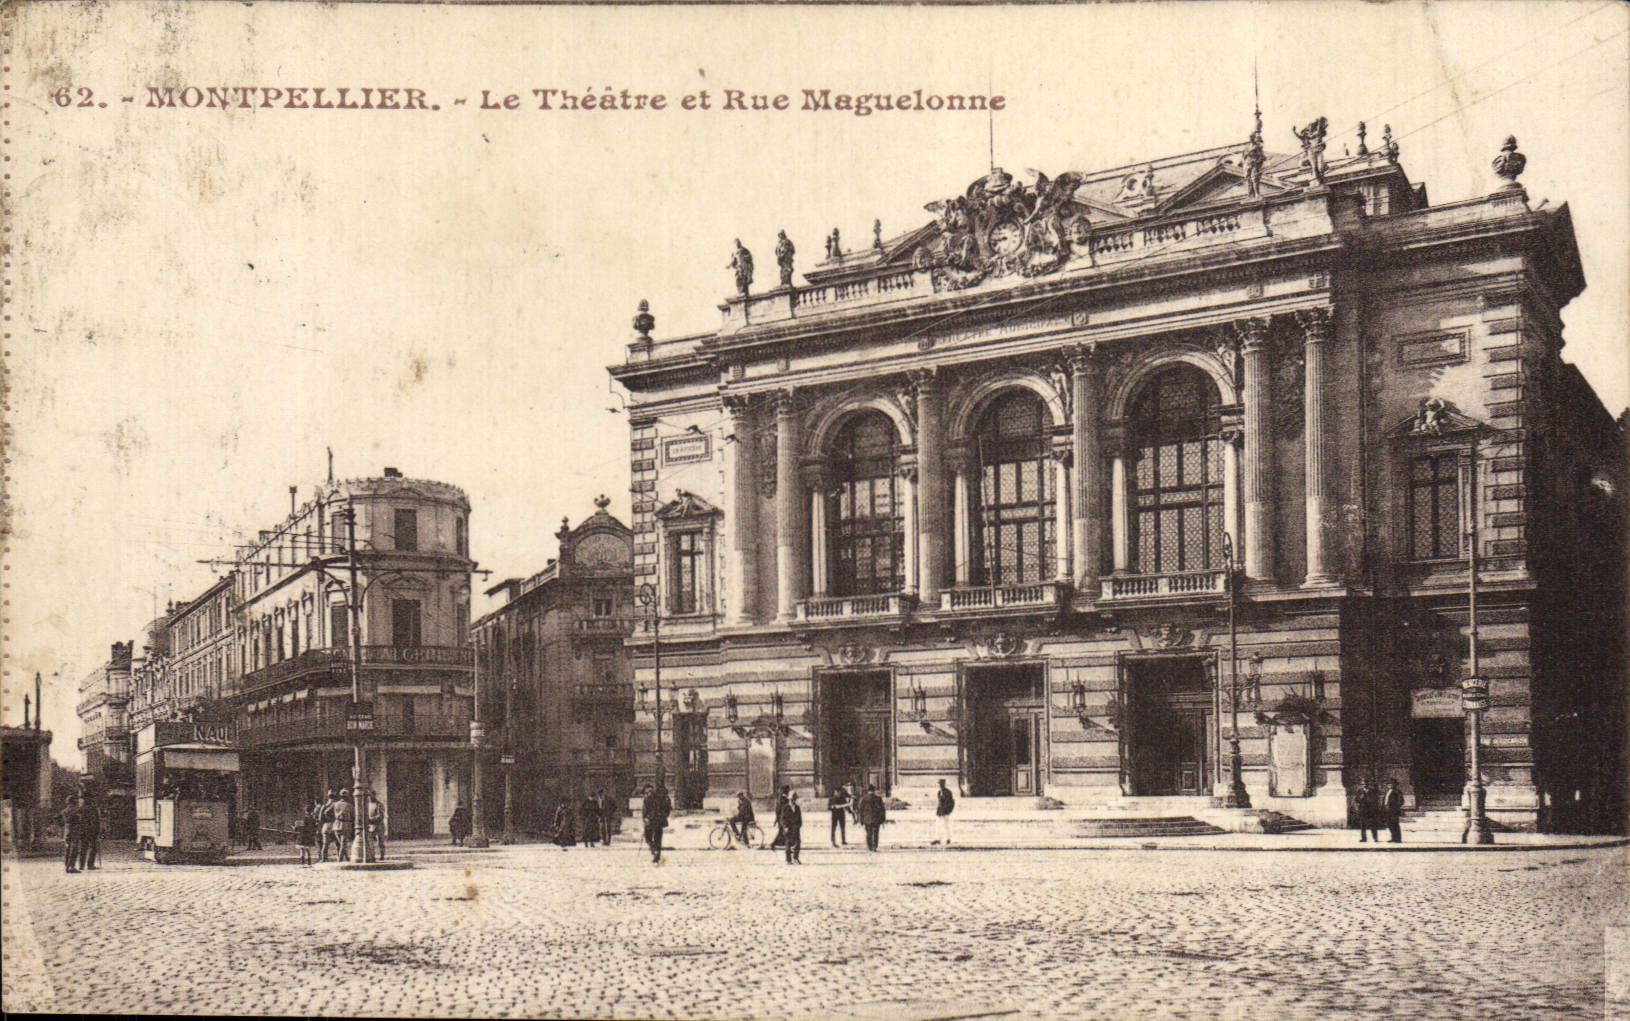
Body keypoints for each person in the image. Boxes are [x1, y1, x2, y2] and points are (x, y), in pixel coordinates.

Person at [644, 783, 672, 864]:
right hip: (657, 820)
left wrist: (645, 818)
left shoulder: (649, 798)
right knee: (656, 838)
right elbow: (668, 808)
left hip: (652, 820)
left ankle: (655, 851)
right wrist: (665, 816)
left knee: (650, 837)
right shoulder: (662, 798)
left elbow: (645, 810)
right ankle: (656, 852)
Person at [59, 796, 86, 874]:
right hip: (75, 831)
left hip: (67, 831)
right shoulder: (77, 810)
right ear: (74, 802)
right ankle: (71, 866)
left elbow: (57, 819)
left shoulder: (64, 811)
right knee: (74, 849)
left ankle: (67, 865)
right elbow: (81, 820)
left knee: (67, 849)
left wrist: (62, 826)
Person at [858, 785, 887, 852]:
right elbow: (882, 810)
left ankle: (870, 846)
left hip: (867, 819)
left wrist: (861, 820)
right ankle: (874, 847)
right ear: (874, 791)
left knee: (869, 833)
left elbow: (861, 810)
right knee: (875, 833)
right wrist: (883, 819)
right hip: (876, 819)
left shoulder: (864, 799)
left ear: (868, 791)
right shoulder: (878, 799)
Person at [80, 797, 102, 870]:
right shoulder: (94, 809)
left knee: (83, 848)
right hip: (92, 831)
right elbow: (97, 821)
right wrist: (98, 831)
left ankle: (81, 865)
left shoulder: (81, 809)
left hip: (83, 831)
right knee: (93, 848)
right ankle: (90, 864)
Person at [333, 790, 356, 861]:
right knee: (343, 844)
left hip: (336, 825)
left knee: (341, 844)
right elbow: (354, 815)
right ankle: (339, 859)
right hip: (345, 825)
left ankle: (347, 858)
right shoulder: (349, 805)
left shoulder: (335, 804)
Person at [932, 778, 955, 846]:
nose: (940, 785)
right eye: (939, 784)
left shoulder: (948, 792)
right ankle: (938, 839)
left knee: (946, 825)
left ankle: (948, 839)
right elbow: (939, 802)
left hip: (946, 811)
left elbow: (952, 802)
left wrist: (949, 810)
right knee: (938, 825)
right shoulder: (939, 792)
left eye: (941, 784)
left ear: (944, 784)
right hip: (940, 812)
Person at [783, 791, 803, 864]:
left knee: (798, 842)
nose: (793, 801)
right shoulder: (785, 807)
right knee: (788, 844)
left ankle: (795, 857)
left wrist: (799, 825)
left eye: (794, 800)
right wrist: (785, 827)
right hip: (788, 828)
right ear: (789, 800)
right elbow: (783, 818)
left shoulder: (797, 808)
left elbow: (800, 818)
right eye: (791, 800)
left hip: (796, 828)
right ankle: (788, 859)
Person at [768, 784, 791, 850]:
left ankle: (782, 843)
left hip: (781, 817)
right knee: (782, 831)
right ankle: (774, 844)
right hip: (782, 817)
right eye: (788, 790)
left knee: (782, 832)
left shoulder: (781, 798)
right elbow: (780, 809)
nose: (789, 791)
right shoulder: (783, 799)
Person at [1385, 779, 1405, 843]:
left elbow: (1401, 801)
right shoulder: (1388, 791)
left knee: (1395, 824)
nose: (1390, 785)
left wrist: (1395, 807)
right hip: (1387, 810)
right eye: (1389, 784)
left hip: (1394, 811)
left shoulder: (1397, 791)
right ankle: (1393, 837)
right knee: (1390, 824)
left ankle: (1398, 839)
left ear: (1395, 785)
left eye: (1391, 784)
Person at [365, 794, 385, 859]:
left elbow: (380, 816)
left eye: (370, 795)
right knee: (370, 841)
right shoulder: (367, 804)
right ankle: (372, 855)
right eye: (368, 796)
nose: (369, 797)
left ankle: (382, 855)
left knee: (380, 841)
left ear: (374, 795)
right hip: (371, 826)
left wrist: (371, 819)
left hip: (379, 825)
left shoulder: (378, 804)